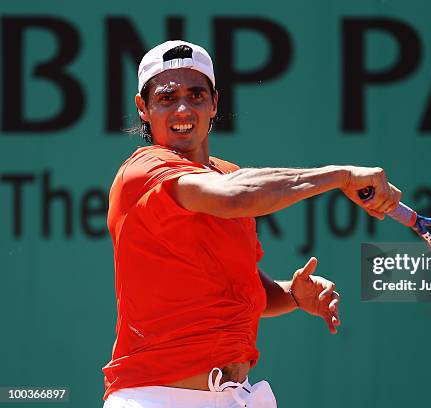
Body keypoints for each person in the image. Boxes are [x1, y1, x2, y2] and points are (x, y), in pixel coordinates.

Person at [102, 40, 401, 408]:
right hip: (157, 398)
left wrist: (291, 293)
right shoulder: (143, 171)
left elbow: (244, 288)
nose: (183, 108)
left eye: (196, 95)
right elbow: (236, 195)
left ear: (214, 103)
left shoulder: (226, 173)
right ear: (143, 108)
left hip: (238, 397)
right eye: (167, 97)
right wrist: (340, 176)